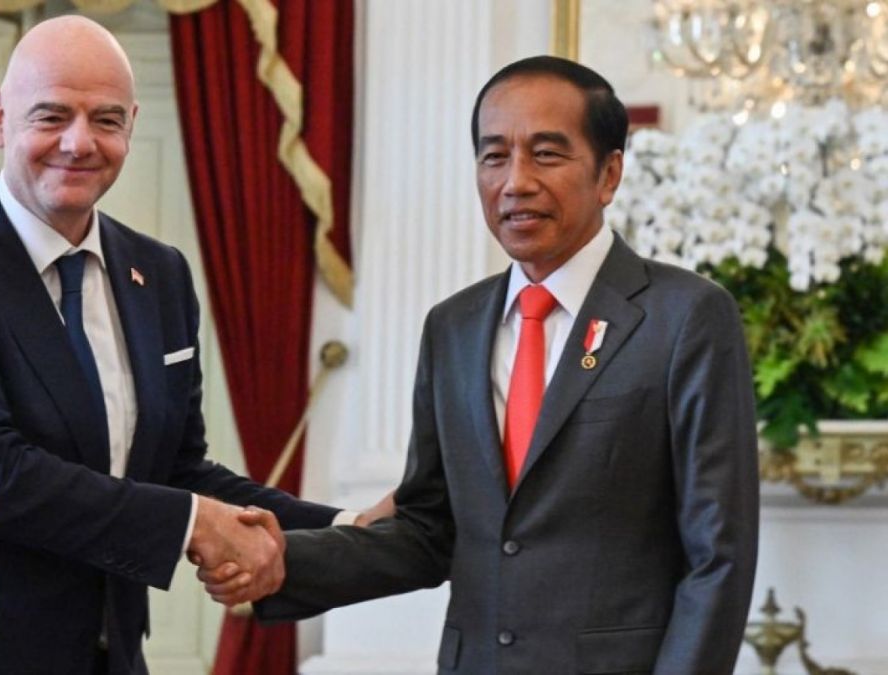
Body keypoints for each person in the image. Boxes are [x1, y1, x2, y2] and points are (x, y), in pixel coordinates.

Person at [0, 16, 383, 674]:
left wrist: (349, 528)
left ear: (131, 125)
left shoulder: (160, 273)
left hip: (104, 651)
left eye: (106, 120)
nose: (79, 142)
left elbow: (175, 468)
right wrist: (193, 523)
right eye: (52, 115)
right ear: (1, 118)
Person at [212, 56, 760, 673]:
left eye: (546, 154)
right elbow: (429, 528)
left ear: (609, 174)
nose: (516, 181)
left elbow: (720, 556)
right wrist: (286, 559)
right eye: (494, 156)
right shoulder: (453, 327)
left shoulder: (685, 317)